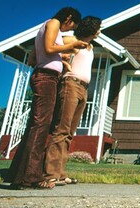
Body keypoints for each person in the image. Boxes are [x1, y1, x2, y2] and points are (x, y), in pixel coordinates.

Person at [6, 7, 88, 190]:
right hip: (46, 78)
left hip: (45, 76)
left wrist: (62, 59)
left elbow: (34, 59)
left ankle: (18, 175)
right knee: (41, 125)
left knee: (37, 125)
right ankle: (30, 178)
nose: (70, 29)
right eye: (72, 25)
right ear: (68, 18)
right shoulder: (54, 23)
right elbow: (50, 47)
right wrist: (72, 46)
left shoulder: (47, 29)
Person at [44, 16, 102, 186]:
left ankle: (61, 174)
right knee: (61, 130)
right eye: (98, 27)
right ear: (91, 28)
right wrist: (63, 61)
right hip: (70, 84)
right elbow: (52, 43)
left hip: (83, 89)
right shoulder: (73, 40)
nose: (99, 31)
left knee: (69, 133)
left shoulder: (90, 47)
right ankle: (50, 174)